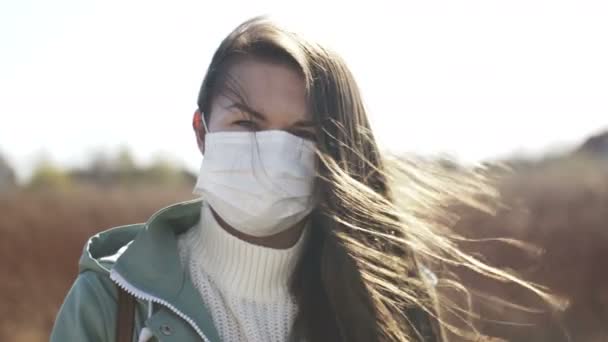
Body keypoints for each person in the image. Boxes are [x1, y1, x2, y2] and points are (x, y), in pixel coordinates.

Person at [51, 16, 557, 342]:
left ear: (337, 151)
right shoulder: (114, 301)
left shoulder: (394, 305)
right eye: (247, 124)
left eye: (303, 134)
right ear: (201, 132)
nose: (272, 151)